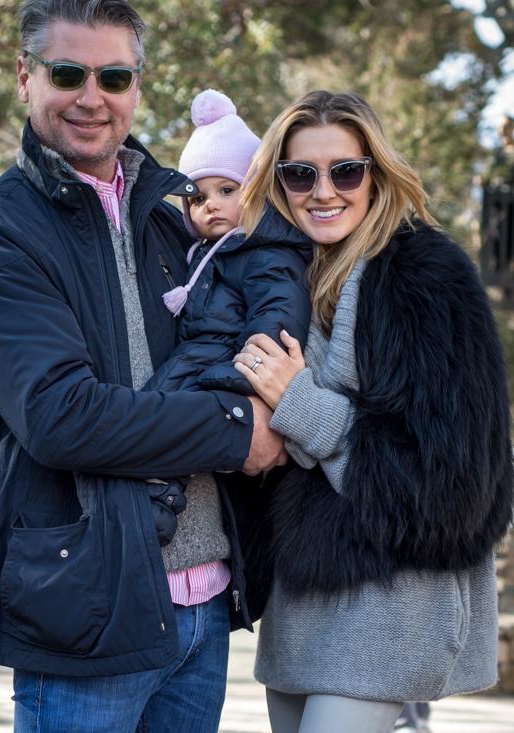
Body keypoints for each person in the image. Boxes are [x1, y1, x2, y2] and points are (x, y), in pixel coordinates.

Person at [0, 2, 287, 732]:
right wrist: (242, 430)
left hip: (202, 612)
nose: (91, 96)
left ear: (137, 85)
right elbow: (62, 416)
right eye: (68, 73)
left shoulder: (171, 218)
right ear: (24, 77)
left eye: (113, 75)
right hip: (87, 612)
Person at [233, 90, 513, 733]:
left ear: (376, 174)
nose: (323, 190)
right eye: (300, 173)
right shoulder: (285, 277)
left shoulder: (424, 277)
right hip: (302, 601)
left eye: (346, 171)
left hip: (395, 599)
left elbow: (452, 486)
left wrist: (301, 406)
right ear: (278, 182)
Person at [143, 88, 311, 540]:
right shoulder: (208, 253)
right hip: (200, 358)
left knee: (168, 418)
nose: (210, 204)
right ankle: (155, 493)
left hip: (226, 366)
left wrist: (241, 375)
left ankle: (158, 503)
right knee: (153, 407)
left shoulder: (264, 251)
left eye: (227, 190)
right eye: (196, 197)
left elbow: (279, 309)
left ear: (255, 191)